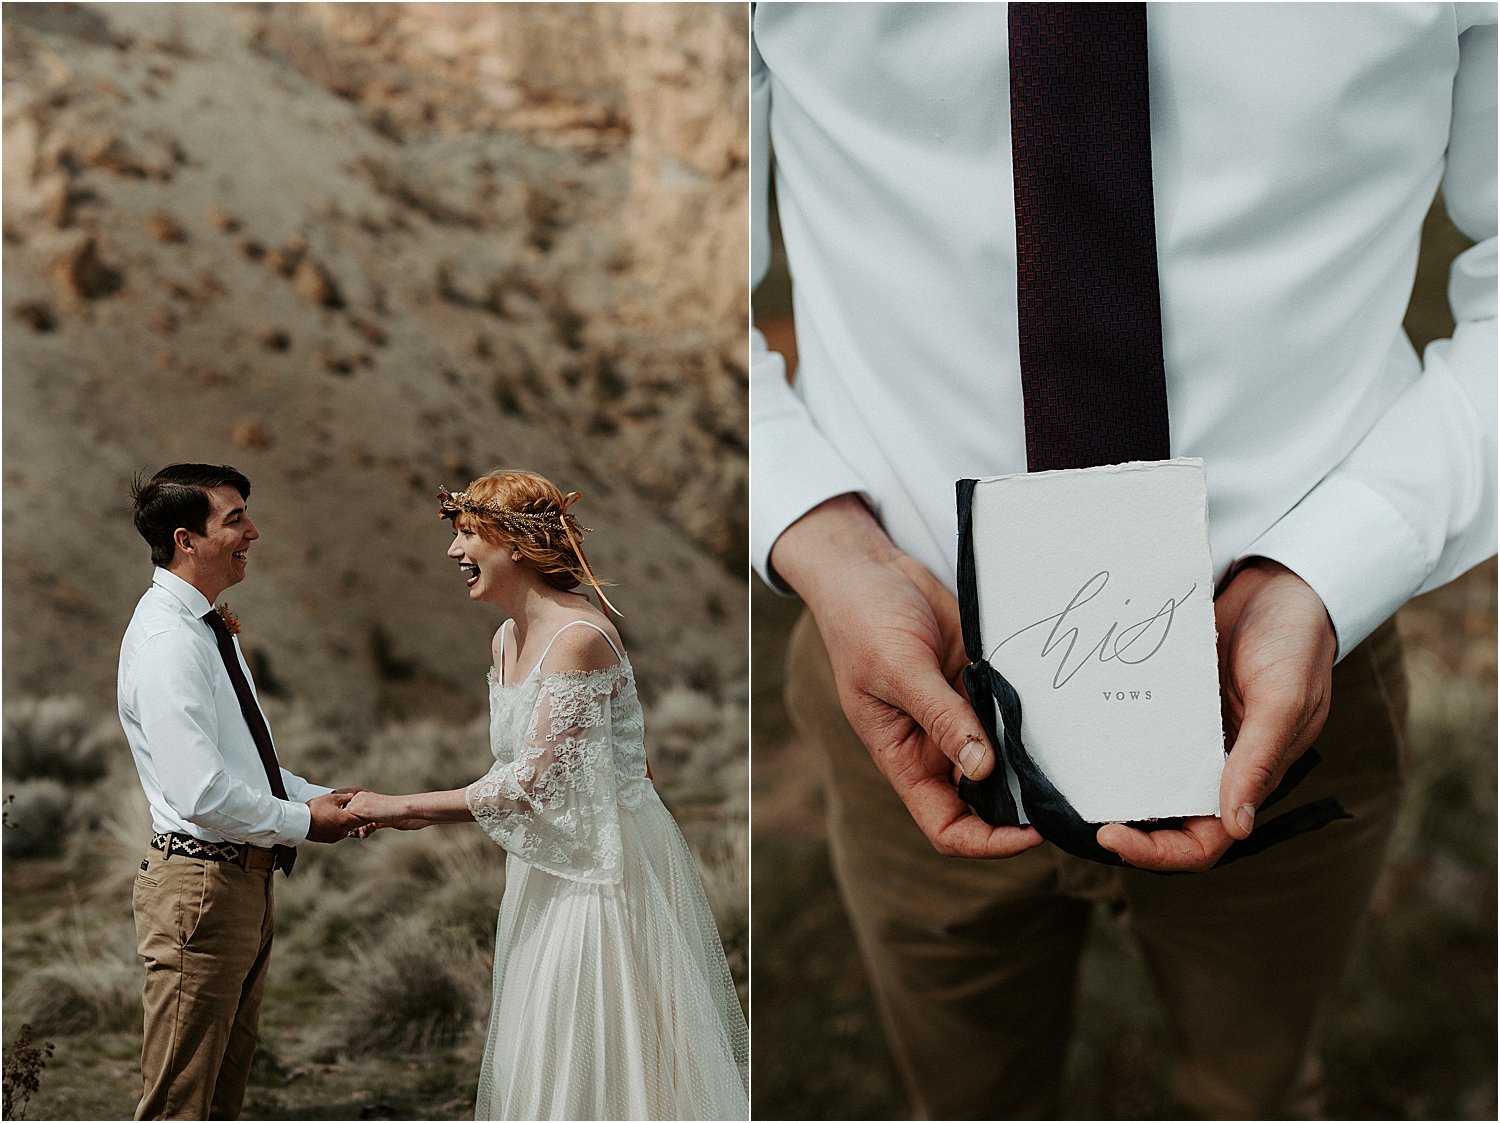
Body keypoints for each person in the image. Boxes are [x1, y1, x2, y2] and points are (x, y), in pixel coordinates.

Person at [751, 4, 1495, 1118]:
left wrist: (1337, 566)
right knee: (964, 1096)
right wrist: (814, 526)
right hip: (905, 677)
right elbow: (649, 265)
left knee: (1257, 1091)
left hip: (1290, 686)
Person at [345, 469, 749, 1121]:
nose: (452, 552)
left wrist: (396, 807)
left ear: (514, 544)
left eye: (467, 534)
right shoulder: (505, 639)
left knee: (590, 1040)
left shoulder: (578, 638)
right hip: (545, 867)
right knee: (539, 1035)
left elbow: (529, 783)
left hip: (601, 876)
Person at [120, 463, 364, 1120]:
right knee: (181, 1104)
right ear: (186, 539)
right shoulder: (171, 641)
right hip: (202, 894)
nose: (252, 532)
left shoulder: (204, 630)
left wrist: (328, 800)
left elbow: (243, 770)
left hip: (237, 887)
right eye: (234, 520)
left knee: (220, 1102)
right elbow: (201, 793)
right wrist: (303, 820)